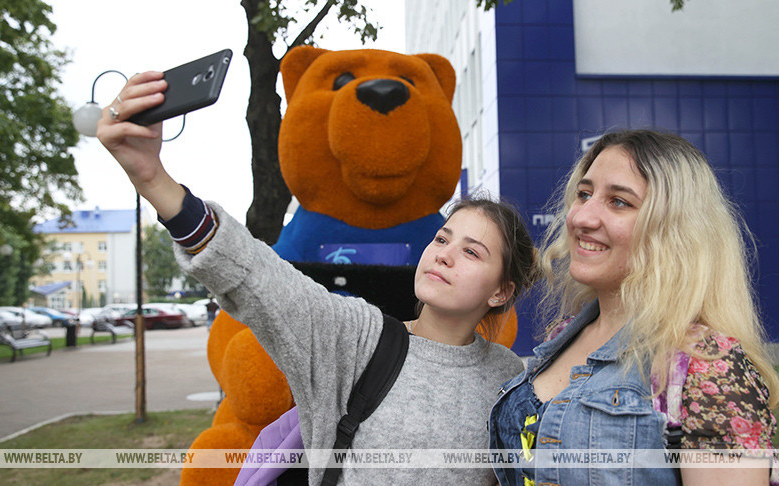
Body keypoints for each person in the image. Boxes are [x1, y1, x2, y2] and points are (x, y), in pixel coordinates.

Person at [96, 71, 538, 485]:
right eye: (442, 238)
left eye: (471, 251)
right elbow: (257, 277)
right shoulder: (357, 339)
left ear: (502, 290)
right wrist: (151, 177)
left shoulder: (509, 379)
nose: (444, 255)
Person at [488, 130, 779, 485]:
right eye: (584, 194)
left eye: (619, 202)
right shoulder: (564, 336)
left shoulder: (708, 365)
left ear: (675, 230)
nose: (582, 217)